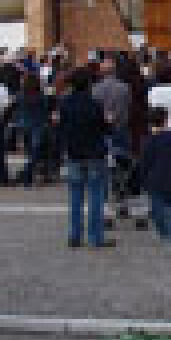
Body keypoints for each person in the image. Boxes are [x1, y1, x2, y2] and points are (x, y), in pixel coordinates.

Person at [59, 68, 113, 249]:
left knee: (75, 196)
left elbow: (62, 127)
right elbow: (104, 129)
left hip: (74, 153)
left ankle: (74, 235)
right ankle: (95, 236)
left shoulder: (65, 103)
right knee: (96, 196)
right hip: (94, 153)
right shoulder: (95, 104)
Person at [140, 107, 171, 243]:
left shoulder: (148, 141)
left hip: (154, 180)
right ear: (165, 121)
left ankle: (164, 232)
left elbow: (144, 163)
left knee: (157, 209)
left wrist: (143, 179)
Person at [12, 74, 51, 188]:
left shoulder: (20, 95)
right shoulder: (41, 96)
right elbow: (45, 110)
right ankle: (26, 175)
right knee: (35, 153)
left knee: (31, 153)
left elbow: (16, 110)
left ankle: (26, 176)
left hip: (23, 126)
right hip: (37, 126)